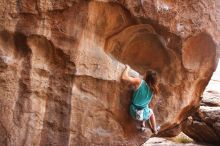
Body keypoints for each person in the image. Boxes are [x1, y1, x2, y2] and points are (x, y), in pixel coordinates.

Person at [122, 65, 160, 134]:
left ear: (146, 76)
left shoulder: (139, 82)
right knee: (150, 110)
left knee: (144, 105)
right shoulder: (153, 89)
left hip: (133, 112)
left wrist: (127, 68)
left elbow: (124, 77)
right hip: (144, 115)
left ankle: (144, 125)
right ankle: (154, 129)